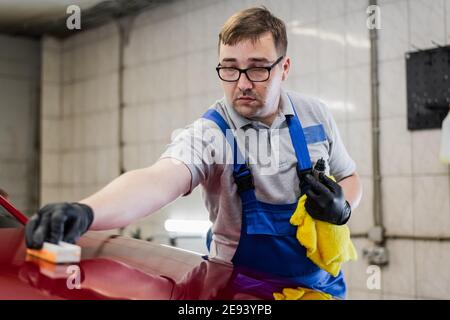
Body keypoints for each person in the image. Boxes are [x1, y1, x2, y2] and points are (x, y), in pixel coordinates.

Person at [25, 7, 362, 299]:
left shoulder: (315, 115)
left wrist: (342, 206)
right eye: (229, 67)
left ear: (284, 68)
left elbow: (348, 175)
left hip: (320, 290)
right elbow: (159, 179)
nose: (242, 83)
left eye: (257, 68)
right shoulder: (210, 132)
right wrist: (86, 212)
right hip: (238, 290)